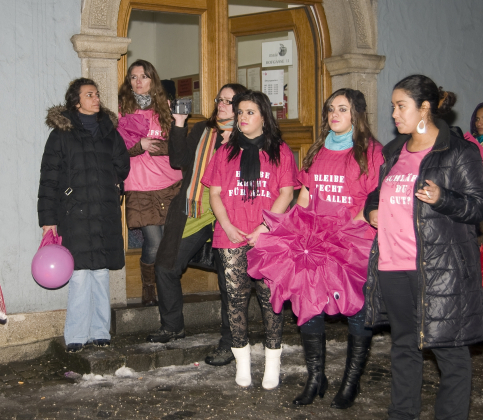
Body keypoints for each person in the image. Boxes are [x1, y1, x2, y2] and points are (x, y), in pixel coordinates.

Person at [364, 75, 483, 420]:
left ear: (425, 108)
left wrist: (443, 198)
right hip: (392, 266)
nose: (394, 114)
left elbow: (477, 207)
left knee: (450, 353)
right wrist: (372, 208)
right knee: (404, 346)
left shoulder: (459, 151)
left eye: (401, 106)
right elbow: (378, 193)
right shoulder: (393, 150)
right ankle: (402, 414)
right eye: (393, 107)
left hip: (438, 267)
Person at [292, 88, 384, 408]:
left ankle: (350, 382)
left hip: (354, 244)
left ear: (356, 114)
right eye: (331, 109)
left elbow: (373, 200)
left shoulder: (371, 152)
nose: (334, 115)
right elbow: (306, 194)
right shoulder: (319, 150)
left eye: (342, 109)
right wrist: (297, 229)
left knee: (357, 312)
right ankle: (316, 378)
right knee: (308, 306)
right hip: (317, 243)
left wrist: (343, 231)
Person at [201, 90, 297, 389]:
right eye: (240, 112)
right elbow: (214, 192)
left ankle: (272, 364)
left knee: (271, 302)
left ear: (265, 117)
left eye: (249, 112)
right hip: (231, 234)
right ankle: (242, 364)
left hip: (268, 236)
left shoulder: (280, 151)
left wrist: (266, 228)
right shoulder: (225, 152)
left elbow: (286, 192)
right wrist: (227, 225)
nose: (242, 117)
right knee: (235, 301)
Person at [147, 84, 247, 369]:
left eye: (230, 101)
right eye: (220, 100)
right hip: (195, 206)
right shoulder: (204, 129)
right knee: (166, 265)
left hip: (230, 212)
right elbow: (178, 161)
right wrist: (179, 124)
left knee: (230, 281)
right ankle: (172, 326)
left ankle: (231, 341)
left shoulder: (245, 136)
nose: (222, 105)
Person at [38, 78, 130, 352]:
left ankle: (100, 331)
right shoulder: (61, 135)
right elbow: (48, 179)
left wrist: (112, 184)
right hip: (73, 214)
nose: (96, 98)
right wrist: (47, 220)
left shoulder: (109, 132)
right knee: (78, 275)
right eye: (89, 94)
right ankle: (76, 335)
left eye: (97, 93)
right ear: (76, 101)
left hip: (104, 212)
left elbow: (122, 165)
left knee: (101, 274)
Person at [117, 60, 184, 306]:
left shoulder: (166, 107)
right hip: (140, 186)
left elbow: (180, 144)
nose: (138, 82)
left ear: (152, 79)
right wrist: (138, 145)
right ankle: (148, 289)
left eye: (143, 76)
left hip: (169, 184)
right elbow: (114, 148)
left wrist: (156, 146)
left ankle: (167, 290)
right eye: (133, 77)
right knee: (154, 243)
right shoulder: (122, 110)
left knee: (169, 242)